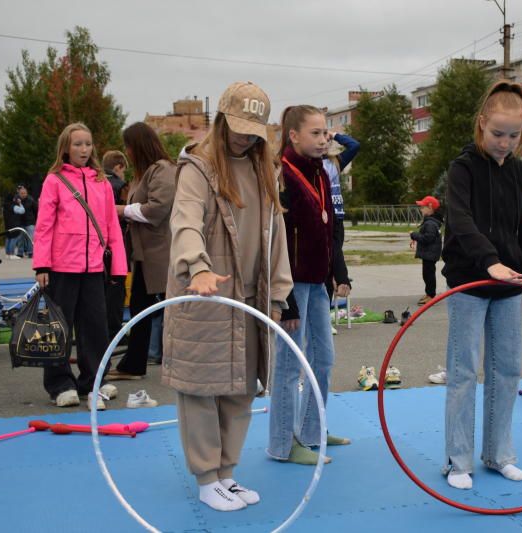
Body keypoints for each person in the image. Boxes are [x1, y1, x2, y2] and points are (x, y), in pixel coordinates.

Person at [162, 81, 293, 512]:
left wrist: (276, 293)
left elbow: (276, 236)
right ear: (220, 120)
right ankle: (206, 478)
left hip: (250, 296)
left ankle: (227, 474)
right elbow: (185, 222)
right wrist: (196, 267)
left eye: (253, 129)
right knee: (201, 387)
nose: (244, 135)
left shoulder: (265, 169)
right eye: (237, 127)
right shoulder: (197, 168)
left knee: (241, 385)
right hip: (206, 294)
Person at [441, 80, 522, 490]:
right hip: (469, 283)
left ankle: (499, 454)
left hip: (509, 286)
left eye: (514, 135)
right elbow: (461, 222)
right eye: (497, 134)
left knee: (507, 372)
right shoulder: (462, 168)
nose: (505, 143)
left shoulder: (520, 173)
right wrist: (490, 262)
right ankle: (458, 460)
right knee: (463, 372)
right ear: (481, 125)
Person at [267, 105, 351, 466]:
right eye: (315, 133)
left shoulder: (322, 171)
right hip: (293, 286)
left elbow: (330, 227)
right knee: (288, 366)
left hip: (319, 282)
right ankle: (282, 444)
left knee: (324, 359)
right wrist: (285, 299)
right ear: (293, 136)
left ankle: (312, 431)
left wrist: (340, 272)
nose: (324, 139)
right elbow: (275, 240)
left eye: (325, 133)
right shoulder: (281, 175)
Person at [33, 123, 127, 409]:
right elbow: (44, 226)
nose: (84, 149)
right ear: (66, 147)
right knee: (60, 328)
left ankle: (93, 381)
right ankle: (59, 383)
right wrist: (42, 266)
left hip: (94, 267)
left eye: (88, 144)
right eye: (77, 144)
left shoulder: (102, 182)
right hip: (62, 267)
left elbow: (112, 225)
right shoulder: (54, 180)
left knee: (95, 327)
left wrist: (119, 268)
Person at [106, 122, 176, 380]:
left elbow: (156, 209)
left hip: (161, 253)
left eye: (129, 146)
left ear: (138, 145)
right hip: (147, 255)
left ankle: (135, 364)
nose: (128, 152)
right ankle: (134, 364)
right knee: (141, 308)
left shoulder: (163, 170)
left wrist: (120, 210)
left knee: (158, 309)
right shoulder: (146, 172)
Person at [322, 132, 357, 334]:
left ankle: (326, 318)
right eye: (320, 138)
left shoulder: (334, 163)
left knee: (332, 263)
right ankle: (319, 318)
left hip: (337, 217)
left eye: (327, 140)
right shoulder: (311, 163)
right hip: (320, 216)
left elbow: (355, 146)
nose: (324, 143)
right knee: (322, 264)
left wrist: (335, 135)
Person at [101, 150, 131, 346]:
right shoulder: (121, 187)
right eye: (124, 172)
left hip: (94, 246)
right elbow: (126, 213)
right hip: (115, 245)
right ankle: (113, 333)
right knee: (115, 292)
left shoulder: (92, 181)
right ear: (118, 168)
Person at [409, 195, 443, 305]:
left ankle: (431, 295)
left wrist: (414, 235)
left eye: (423, 207)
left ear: (430, 208)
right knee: (427, 274)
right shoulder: (430, 221)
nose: (421, 209)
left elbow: (428, 238)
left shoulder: (430, 223)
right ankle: (429, 294)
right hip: (428, 253)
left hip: (430, 253)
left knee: (429, 275)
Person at [14, 187, 38, 258]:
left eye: (24, 193)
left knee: (30, 238)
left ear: (26, 193)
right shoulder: (17, 202)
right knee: (20, 238)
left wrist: (35, 220)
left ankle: (31, 252)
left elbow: (36, 211)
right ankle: (20, 252)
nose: (23, 195)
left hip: (30, 222)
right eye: (22, 193)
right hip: (21, 222)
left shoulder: (31, 201)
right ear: (19, 193)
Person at [1, 193, 23, 259]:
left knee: (8, 238)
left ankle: (8, 253)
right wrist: (20, 204)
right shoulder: (14, 206)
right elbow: (22, 211)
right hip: (14, 224)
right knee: (14, 238)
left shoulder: (4, 206)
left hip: (7, 224)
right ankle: (12, 254)